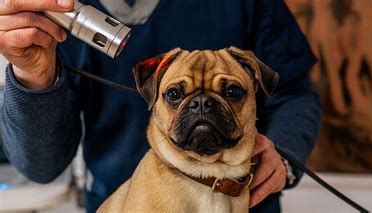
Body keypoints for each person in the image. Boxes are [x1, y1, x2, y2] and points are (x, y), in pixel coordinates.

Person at [0, 0, 321, 212]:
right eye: (176, 95)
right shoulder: (60, 11)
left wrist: (285, 156)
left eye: (231, 91)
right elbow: (41, 166)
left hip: (250, 200)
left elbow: (294, 93)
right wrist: (32, 75)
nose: (201, 108)